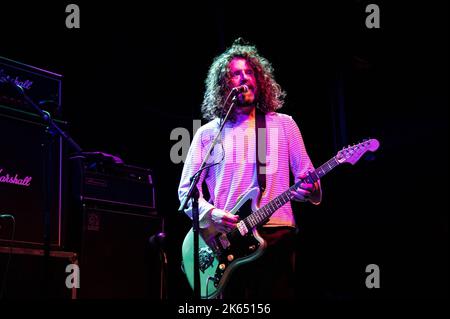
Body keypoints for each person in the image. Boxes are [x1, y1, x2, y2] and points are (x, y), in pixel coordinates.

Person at [178, 38, 321, 299]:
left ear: (259, 79)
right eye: (236, 73)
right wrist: (211, 215)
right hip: (228, 241)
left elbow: (309, 181)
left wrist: (310, 188)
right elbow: (186, 191)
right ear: (225, 84)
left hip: (277, 233)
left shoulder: (284, 125)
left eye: (250, 72)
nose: (245, 77)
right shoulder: (208, 133)